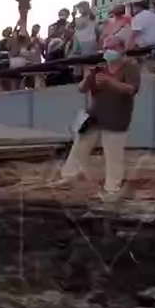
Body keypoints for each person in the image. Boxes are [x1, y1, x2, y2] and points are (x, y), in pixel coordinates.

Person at [57, 37, 139, 199]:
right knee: (79, 146)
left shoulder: (130, 67)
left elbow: (130, 89)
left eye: (112, 47)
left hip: (117, 117)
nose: (108, 51)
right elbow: (81, 89)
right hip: (93, 116)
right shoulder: (99, 68)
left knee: (113, 154)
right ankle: (69, 176)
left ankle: (112, 186)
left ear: (121, 48)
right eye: (106, 48)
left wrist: (110, 81)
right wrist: (88, 77)